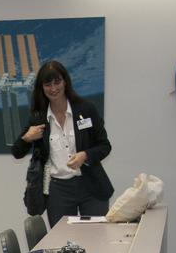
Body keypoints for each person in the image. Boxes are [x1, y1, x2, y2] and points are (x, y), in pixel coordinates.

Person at [10, 59, 113, 225]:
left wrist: (85, 156)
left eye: (57, 82)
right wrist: (27, 138)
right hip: (58, 190)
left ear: (65, 81)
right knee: (62, 244)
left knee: (97, 238)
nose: (53, 88)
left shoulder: (86, 109)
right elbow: (17, 152)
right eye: (48, 84)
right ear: (41, 88)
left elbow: (104, 146)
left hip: (91, 185)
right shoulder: (38, 117)